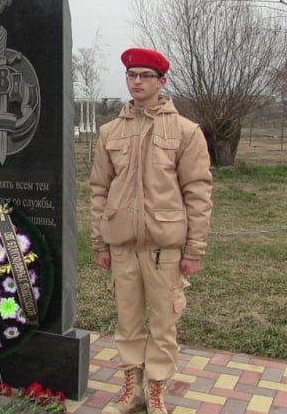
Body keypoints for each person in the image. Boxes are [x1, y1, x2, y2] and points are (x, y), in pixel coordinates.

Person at [90, 48, 213, 414]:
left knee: (163, 324)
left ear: (162, 82)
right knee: (128, 323)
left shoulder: (186, 131)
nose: (138, 82)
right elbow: (99, 188)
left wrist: (194, 250)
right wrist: (100, 241)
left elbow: (198, 191)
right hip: (123, 245)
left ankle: (156, 389)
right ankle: (132, 390)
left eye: (146, 76)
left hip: (164, 248)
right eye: (132, 76)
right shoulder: (110, 131)